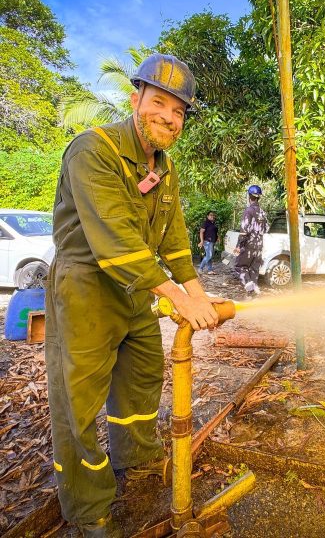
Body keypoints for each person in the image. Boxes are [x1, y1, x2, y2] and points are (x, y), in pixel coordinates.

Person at [45, 54, 224, 537]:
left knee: (143, 371)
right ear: (135, 100)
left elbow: (175, 239)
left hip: (135, 290)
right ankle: (88, 509)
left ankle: (138, 458)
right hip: (86, 286)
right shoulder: (92, 150)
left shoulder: (164, 167)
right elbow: (117, 240)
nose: (169, 117)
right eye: (159, 103)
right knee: (77, 401)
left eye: (179, 111)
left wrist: (198, 294)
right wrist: (177, 298)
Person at [234, 185, 268, 297]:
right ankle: (255, 292)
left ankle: (250, 290)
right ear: (259, 197)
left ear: (249, 196)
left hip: (249, 244)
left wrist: (238, 246)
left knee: (240, 267)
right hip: (259, 246)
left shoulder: (248, 211)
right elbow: (266, 228)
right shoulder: (262, 212)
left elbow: (244, 231)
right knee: (254, 269)